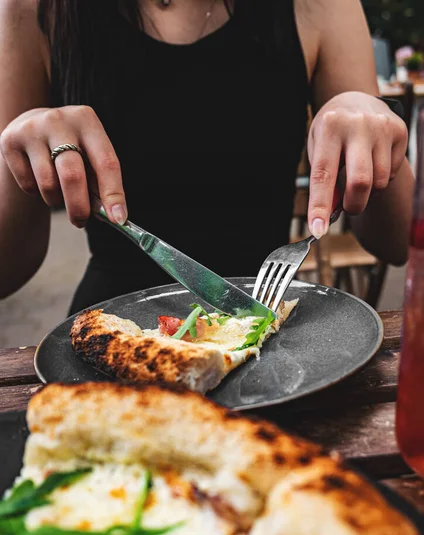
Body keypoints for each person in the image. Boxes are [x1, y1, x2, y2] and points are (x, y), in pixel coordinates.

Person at [0, 0, 414, 315]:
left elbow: (395, 244)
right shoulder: (35, 8)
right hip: (113, 332)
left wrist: (374, 120)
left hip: (263, 330)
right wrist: (19, 151)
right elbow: (9, 269)